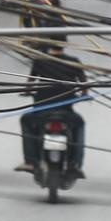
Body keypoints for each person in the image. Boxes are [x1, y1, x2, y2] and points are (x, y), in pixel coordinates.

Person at [17, 42, 88, 176]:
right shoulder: (74, 61)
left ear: (49, 45)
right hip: (66, 113)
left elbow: (31, 82)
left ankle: (30, 161)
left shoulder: (40, 60)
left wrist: (26, 92)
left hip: (41, 112)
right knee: (79, 124)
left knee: (25, 119)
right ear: (64, 45)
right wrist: (84, 95)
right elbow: (84, 84)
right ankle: (75, 163)